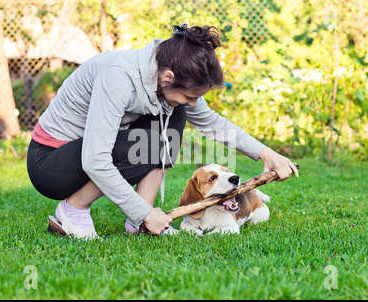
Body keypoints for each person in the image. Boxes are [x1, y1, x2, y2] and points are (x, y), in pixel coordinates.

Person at [26, 24, 299, 240]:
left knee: (175, 113)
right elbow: (95, 159)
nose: (195, 104)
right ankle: (73, 210)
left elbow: (211, 122)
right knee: (149, 142)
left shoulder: (167, 77)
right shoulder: (119, 77)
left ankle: (138, 224)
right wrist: (144, 212)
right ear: (168, 78)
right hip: (51, 161)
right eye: (191, 96)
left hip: (86, 152)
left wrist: (265, 153)